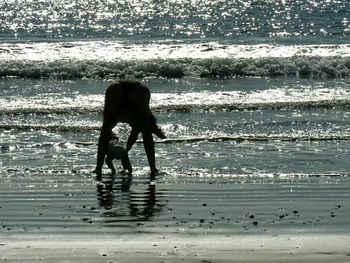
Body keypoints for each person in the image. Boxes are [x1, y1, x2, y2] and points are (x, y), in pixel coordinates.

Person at [94, 80, 166, 178]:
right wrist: (125, 153)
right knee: (146, 133)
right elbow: (135, 135)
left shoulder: (128, 119)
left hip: (116, 88)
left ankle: (98, 168)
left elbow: (105, 137)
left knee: (105, 131)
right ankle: (153, 168)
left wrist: (125, 153)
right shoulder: (138, 119)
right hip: (140, 90)